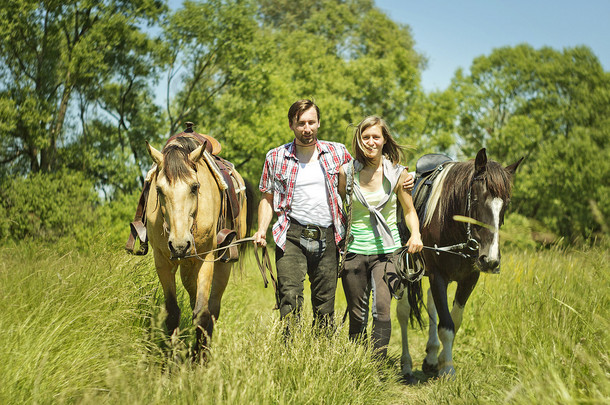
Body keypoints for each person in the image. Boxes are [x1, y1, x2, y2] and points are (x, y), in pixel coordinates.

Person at [254, 99, 351, 330]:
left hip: (328, 235)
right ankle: (290, 351)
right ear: (291, 125)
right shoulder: (275, 157)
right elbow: (267, 198)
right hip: (291, 234)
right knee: (289, 297)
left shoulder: (338, 152)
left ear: (319, 123)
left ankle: (321, 356)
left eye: (311, 122)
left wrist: (399, 177)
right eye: (301, 123)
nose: (307, 128)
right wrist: (260, 230)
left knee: (325, 304)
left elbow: (365, 179)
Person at [338, 115, 423, 359]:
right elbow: (340, 206)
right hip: (354, 251)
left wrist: (415, 234)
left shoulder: (398, 175)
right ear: (359, 140)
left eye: (376, 137)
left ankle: (376, 367)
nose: (371, 142)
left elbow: (409, 211)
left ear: (385, 140)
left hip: (388, 252)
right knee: (357, 314)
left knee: (382, 310)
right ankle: (357, 365)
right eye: (366, 137)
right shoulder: (347, 173)